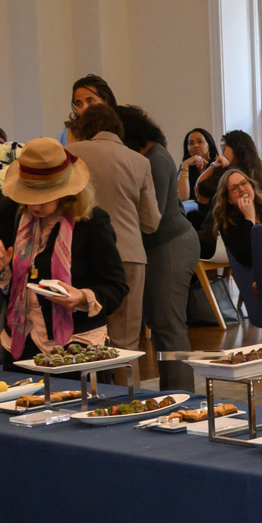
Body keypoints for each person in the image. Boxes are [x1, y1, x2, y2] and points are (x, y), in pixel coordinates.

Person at [0, 138, 128, 362]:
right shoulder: (12, 211)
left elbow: (116, 287)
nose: (35, 206)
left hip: (77, 348)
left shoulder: (92, 222)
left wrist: (81, 298)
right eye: (29, 197)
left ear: (66, 193)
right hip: (20, 347)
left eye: (44, 198)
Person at [64, 101, 161, 381]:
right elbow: (151, 222)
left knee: (79, 337)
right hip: (128, 253)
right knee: (126, 344)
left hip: (79, 253)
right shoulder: (140, 161)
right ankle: (128, 402)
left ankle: (81, 399)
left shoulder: (70, 153)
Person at [121, 105, 201, 388]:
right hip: (160, 246)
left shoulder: (156, 160)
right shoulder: (149, 157)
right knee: (161, 325)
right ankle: (172, 392)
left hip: (172, 245)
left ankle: (183, 398)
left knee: (169, 326)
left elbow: (150, 217)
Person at [205, 162, 262, 271]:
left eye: (244, 183)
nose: (242, 189)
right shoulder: (227, 224)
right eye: (234, 188)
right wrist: (250, 219)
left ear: (251, 185)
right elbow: (247, 258)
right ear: (229, 199)